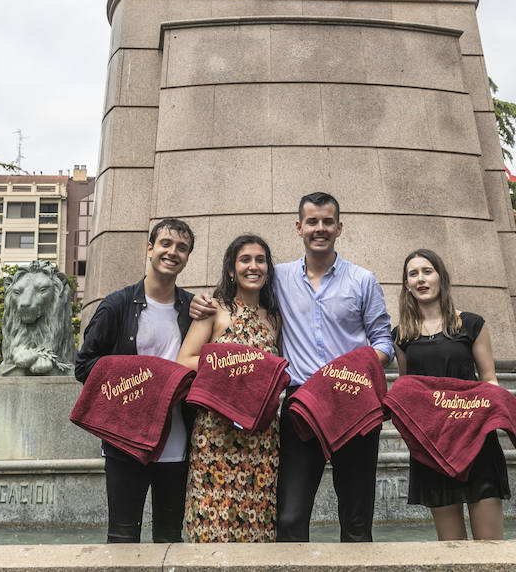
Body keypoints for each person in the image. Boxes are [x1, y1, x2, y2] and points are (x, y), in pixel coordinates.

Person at [193, 191, 394, 542]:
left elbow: (383, 342)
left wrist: (354, 368)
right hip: (302, 403)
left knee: (357, 521)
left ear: (339, 227)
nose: (320, 228)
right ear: (298, 227)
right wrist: (195, 303)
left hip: (352, 399)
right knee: (288, 518)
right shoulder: (278, 278)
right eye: (312, 222)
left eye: (327, 222)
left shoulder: (363, 280)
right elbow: (240, 291)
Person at [74, 218, 196, 543]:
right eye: (166, 244)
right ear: (150, 248)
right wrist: (140, 381)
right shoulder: (118, 304)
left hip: (176, 443)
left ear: (187, 258)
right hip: (125, 442)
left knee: (170, 538)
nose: (172, 252)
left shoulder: (192, 309)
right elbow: (84, 365)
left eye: (182, 248)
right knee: (122, 536)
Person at [393, 248, 508, 541]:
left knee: (491, 548)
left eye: (427, 271)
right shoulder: (402, 335)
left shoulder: (471, 324)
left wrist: (493, 413)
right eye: (413, 274)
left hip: (475, 440)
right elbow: (407, 389)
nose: (420, 279)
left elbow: (489, 379)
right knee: (451, 550)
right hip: (433, 446)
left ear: (441, 277)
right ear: (406, 284)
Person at [176, 234, 284, 543]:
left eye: (260, 260)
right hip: (216, 435)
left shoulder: (274, 318)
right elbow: (184, 361)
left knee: (258, 524)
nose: (253, 266)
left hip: (262, 438)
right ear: (231, 270)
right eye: (245, 260)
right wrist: (233, 362)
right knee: (212, 524)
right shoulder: (214, 310)